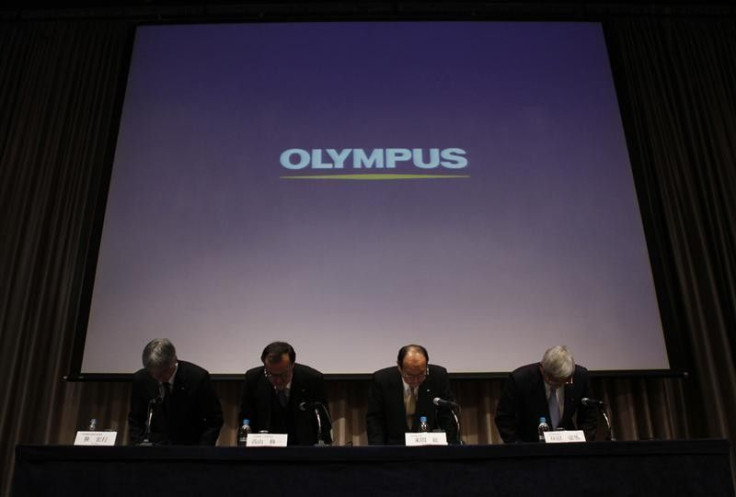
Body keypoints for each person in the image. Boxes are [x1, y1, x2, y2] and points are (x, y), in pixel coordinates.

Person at [128, 338, 223, 445]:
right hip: (154, 450)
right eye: (152, 373)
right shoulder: (141, 379)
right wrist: (139, 445)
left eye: (161, 373)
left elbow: (214, 419)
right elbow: (135, 419)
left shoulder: (197, 378)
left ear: (173, 362)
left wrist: (202, 450)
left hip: (190, 449)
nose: (157, 378)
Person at [494, 345, 598, 443]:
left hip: (569, 449)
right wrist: (519, 447)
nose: (558, 385)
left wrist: (584, 444)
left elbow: (589, 415)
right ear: (542, 369)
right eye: (553, 380)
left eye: (563, 381)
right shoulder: (520, 379)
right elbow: (504, 418)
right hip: (530, 447)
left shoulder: (580, 377)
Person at [239, 341, 332, 445]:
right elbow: (245, 418)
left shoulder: (312, 379)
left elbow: (323, 422)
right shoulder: (253, 379)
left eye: (283, 375)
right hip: (264, 449)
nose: (278, 380)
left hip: (303, 450)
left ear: (292, 365)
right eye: (272, 375)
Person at [366, 344, 458, 445]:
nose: (415, 380)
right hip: (394, 448)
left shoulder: (438, 376)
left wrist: (450, 449)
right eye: (410, 375)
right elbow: (375, 420)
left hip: (429, 447)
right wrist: (378, 452)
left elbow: (446, 416)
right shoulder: (382, 380)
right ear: (399, 367)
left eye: (420, 374)